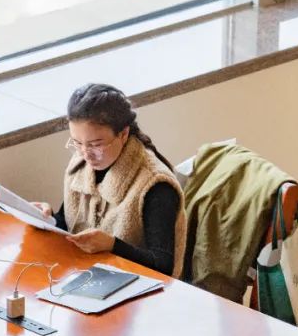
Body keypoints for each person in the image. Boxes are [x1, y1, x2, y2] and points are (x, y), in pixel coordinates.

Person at [33, 83, 188, 278]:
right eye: (77, 143)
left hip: (137, 287)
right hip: (86, 275)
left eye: (95, 145)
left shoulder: (156, 185)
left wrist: (113, 245)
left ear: (123, 134)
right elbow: (69, 224)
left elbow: (163, 266)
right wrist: (46, 218)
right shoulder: (80, 165)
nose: (86, 154)